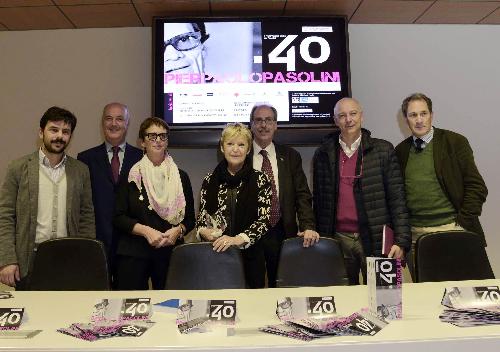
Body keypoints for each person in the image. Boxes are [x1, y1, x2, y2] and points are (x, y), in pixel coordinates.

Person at [313, 98, 410, 285]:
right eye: (342, 116)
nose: (348, 119)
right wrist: (323, 241)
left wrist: (401, 240)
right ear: (335, 121)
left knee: (385, 298)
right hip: (338, 239)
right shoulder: (323, 154)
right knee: (342, 298)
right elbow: (319, 201)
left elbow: (398, 198)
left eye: (353, 114)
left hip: (377, 238)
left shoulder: (383, 150)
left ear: (362, 116)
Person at [0, 106, 95, 289]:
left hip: (69, 257)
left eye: (65, 132)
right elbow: (5, 215)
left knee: (67, 313)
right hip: (29, 259)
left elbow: (86, 216)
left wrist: (86, 257)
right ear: (41, 132)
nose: (59, 136)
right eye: (54, 129)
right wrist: (7, 260)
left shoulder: (80, 170)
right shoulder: (18, 168)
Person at [395, 93, 488, 272]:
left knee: (460, 292)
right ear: (406, 119)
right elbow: (397, 196)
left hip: (451, 229)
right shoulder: (401, 151)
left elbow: (477, 187)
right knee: (425, 295)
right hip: (415, 236)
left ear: (432, 115)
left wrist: (461, 224)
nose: (419, 120)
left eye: (424, 113)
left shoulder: (454, 142)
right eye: (413, 115)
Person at [113, 117, 195, 290]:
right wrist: (145, 231)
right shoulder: (131, 176)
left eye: (162, 136)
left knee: (170, 311)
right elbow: (118, 217)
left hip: (169, 252)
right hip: (134, 253)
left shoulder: (181, 177)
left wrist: (178, 231)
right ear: (142, 142)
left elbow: (189, 219)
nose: (158, 140)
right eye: (152, 136)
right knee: (132, 312)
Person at [249, 103, 319, 288]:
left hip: (281, 232)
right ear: (251, 125)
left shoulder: (290, 156)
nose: (264, 125)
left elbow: (302, 195)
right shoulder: (242, 154)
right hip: (249, 234)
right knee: (251, 286)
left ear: (276, 125)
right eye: (258, 120)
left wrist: (308, 225)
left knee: (282, 285)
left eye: (269, 120)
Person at [196, 123, 272, 288]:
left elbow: (264, 220)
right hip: (216, 255)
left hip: (250, 258)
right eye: (230, 144)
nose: (235, 149)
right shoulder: (209, 180)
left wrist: (237, 240)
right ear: (222, 148)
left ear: (249, 149)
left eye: (241, 144)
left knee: (251, 308)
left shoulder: (261, 179)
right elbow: (202, 220)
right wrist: (204, 232)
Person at [77, 103, 142, 277]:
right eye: (109, 118)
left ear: (127, 124)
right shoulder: (85, 159)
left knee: (127, 299)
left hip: (132, 246)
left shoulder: (141, 158)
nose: (114, 123)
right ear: (102, 123)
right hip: (97, 243)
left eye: (120, 119)